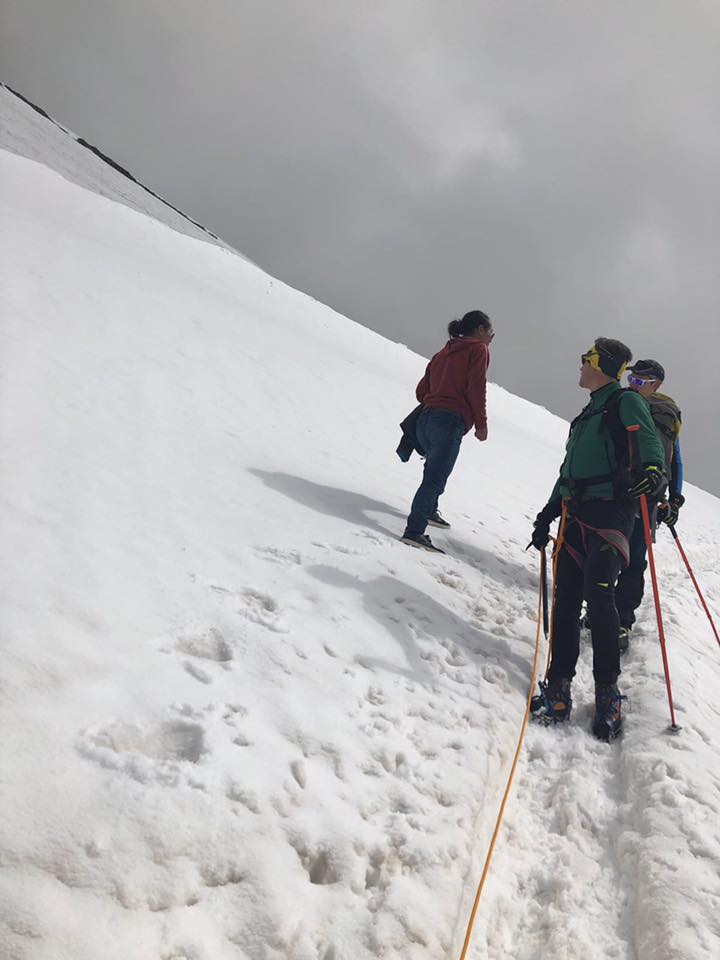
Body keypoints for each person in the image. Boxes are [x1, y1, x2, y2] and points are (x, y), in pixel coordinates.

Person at [529, 338, 665, 740]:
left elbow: (649, 442)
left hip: (610, 511)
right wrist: (546, 513)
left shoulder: (624, 401)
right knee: (568, 599)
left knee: (599, 593)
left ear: (603, 365)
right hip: (576, 514)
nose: (582, 364)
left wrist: (654, 468)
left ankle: (608, 692)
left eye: (588, 359)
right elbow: (567, 472)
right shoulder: (587, 414)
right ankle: (559, 689)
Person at [400, 310, 493, 553]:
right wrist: (481, 423)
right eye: (491, 331)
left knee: (433, 469)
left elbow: (422, 391)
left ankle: (429, 511)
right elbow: (477, 388)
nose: (492, 337)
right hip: (449, 421)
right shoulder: (478, 350)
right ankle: (414, 532)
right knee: (435, 478)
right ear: (481, 330)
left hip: (426, 419)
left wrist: (438, 397)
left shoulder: (443, 352)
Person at [613, 360, 684, 650]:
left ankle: (622, 620)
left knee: (632, 558)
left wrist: (675, 500)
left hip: (645, 497)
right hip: (624, 492)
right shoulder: (625, 403)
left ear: (656, 384)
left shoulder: (665, 414)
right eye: (632, 378)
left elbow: (674, 459)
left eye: (641, 382)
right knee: (614, 554)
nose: (634, 385)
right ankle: (603, 612)